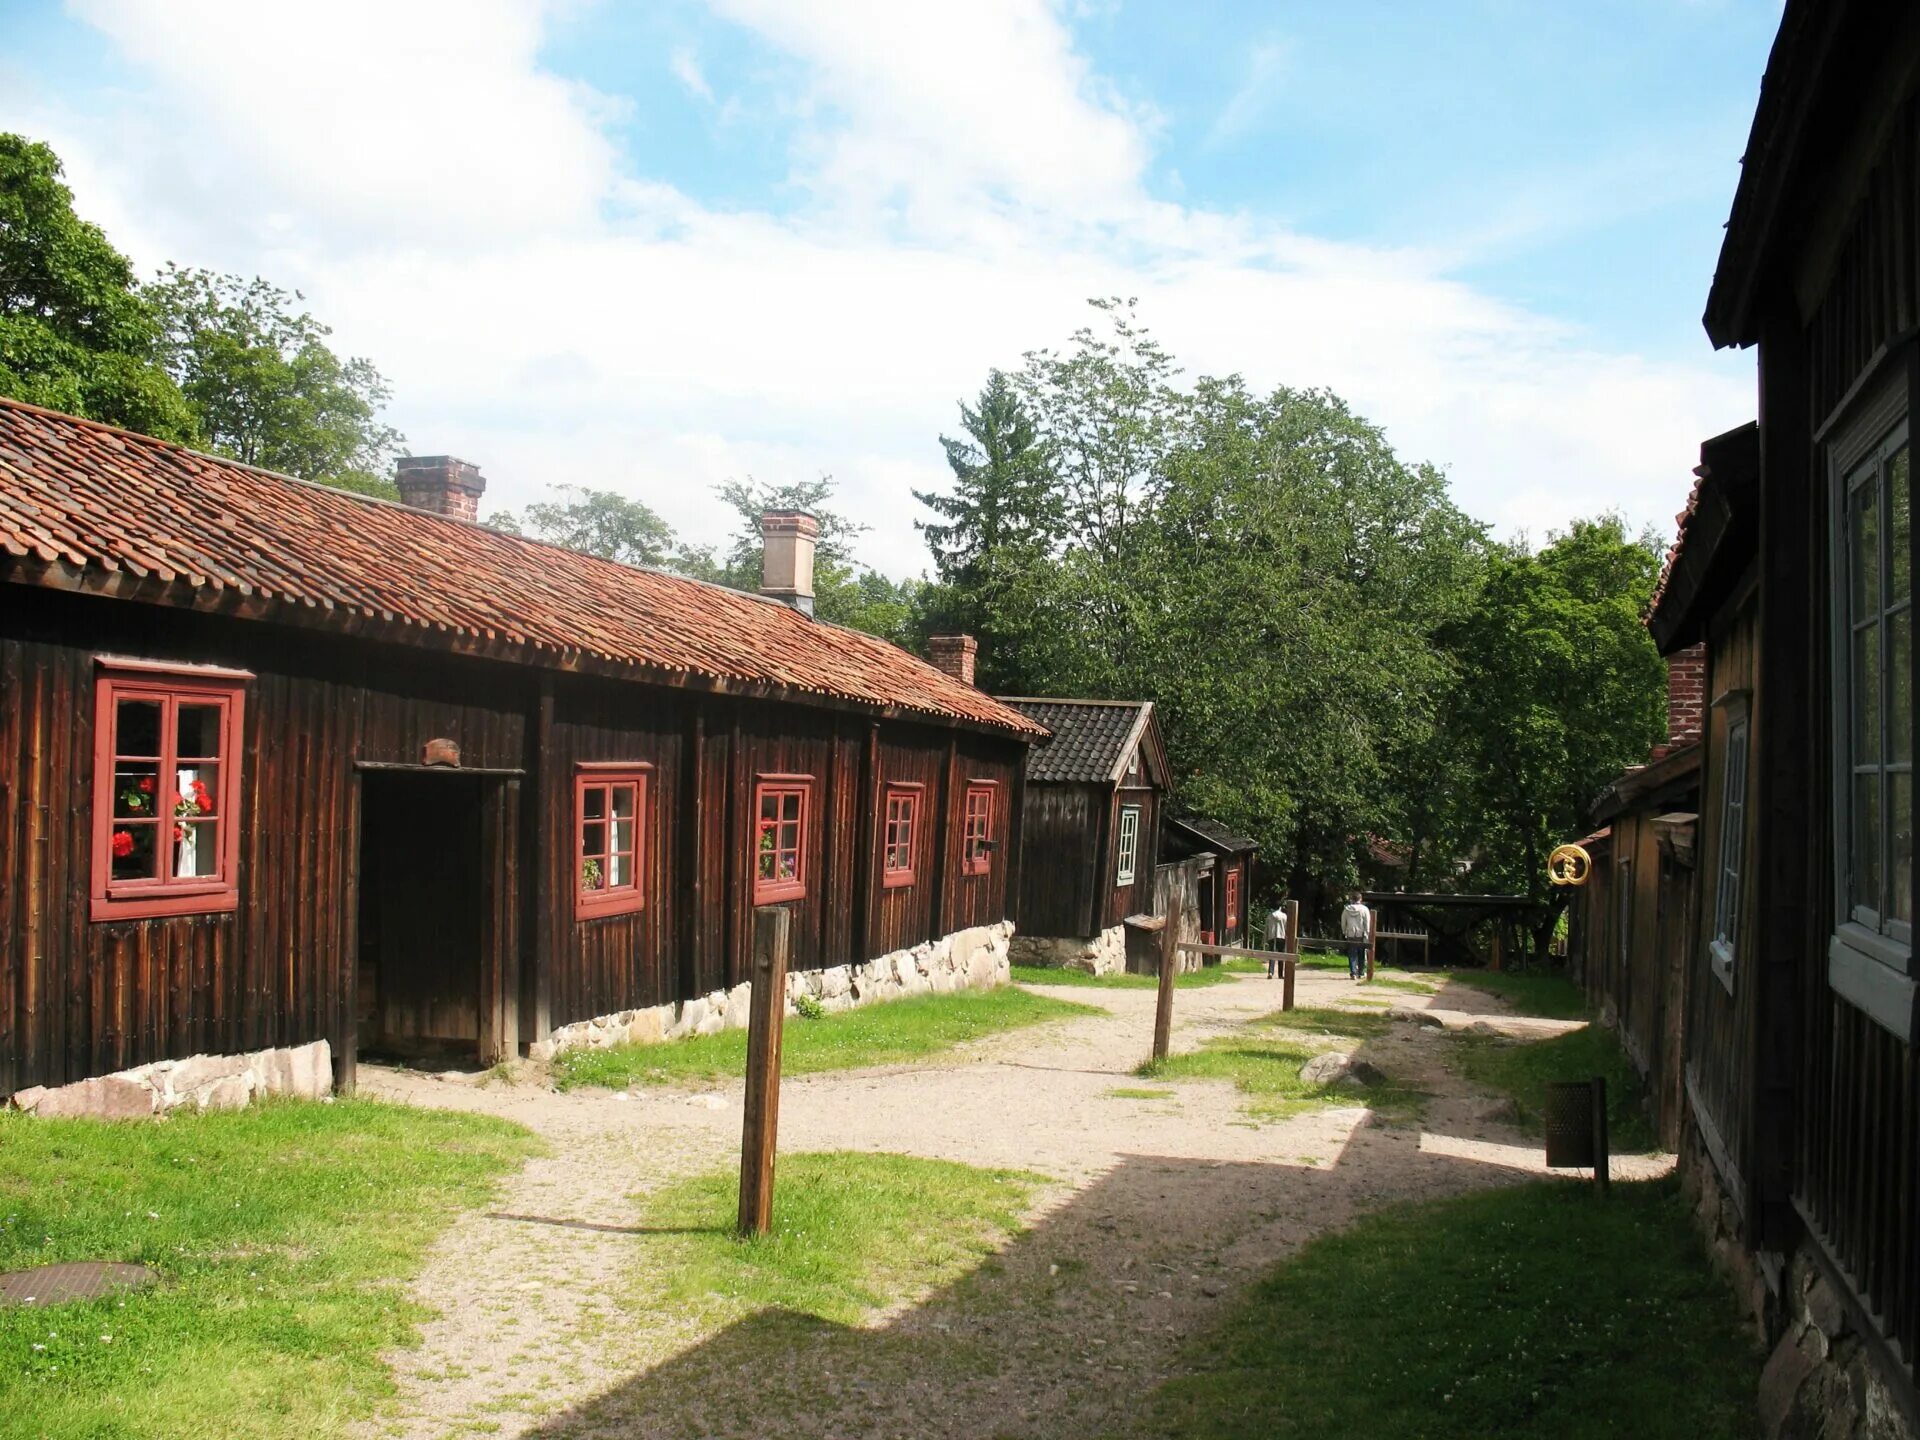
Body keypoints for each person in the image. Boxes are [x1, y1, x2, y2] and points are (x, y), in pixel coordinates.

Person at [1340, 891, 1372, 981]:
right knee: (1361, 953)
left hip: (1350, 933)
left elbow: (1343, 922)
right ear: (1360, 899)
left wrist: (1344, 931)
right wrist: (1367, 933)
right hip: (1361, 934)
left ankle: (1353, 973)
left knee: (1352, 954)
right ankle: (1361, 973)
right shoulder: (1365, 909)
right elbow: (1367, 922)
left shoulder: (1346, 909)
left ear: (1351, 899)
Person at [1265, 901, 1289, 978]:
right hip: (1281, 936)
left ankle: (1270, 972)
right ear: (1280, 907)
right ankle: (1280, 974)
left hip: (1272, 936)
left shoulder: (1269, 916)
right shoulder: (1284, 916)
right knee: (1281, 955)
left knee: (1272, 954)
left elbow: (1267, 928)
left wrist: (1265, 938)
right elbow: (1286, 928)